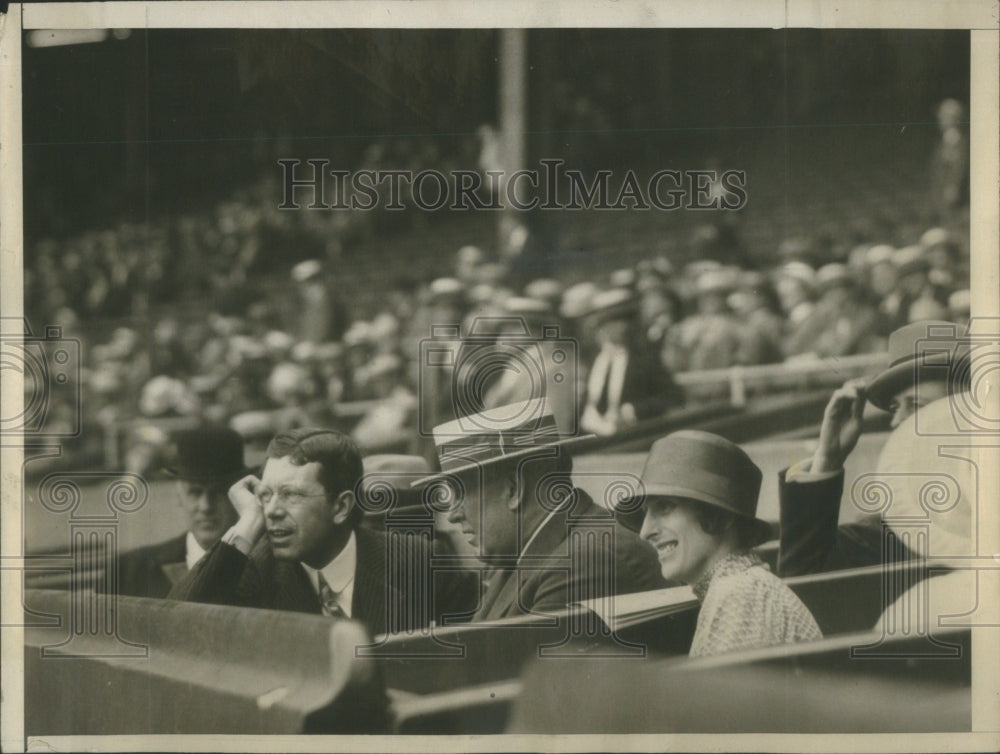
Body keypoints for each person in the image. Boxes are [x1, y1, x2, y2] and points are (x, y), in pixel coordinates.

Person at [169, 428, 477, 636]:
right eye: (266, 494)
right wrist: (247, 524)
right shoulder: (255, 570)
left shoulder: (420, 562)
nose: (272, 510)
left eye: (292, 495)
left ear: (341, 507)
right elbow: (172, 624)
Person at [414, 398, 668, 621]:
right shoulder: (523, 554)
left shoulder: (585, 559)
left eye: (460, 494)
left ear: (514, 489)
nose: (453, 514)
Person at [778, 320, 971, 576]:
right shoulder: (896, 526)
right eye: (894, 408)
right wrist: (827, 459)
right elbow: (803, 580)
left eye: (915, 405)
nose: (896, 421)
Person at [617, 430, 822, 657]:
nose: (644, 532)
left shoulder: (740, 595)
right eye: (646, 513)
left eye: (665, 507)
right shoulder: (732, 586)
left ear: (718, 516)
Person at [112, 427, 246, 598]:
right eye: (195, 492)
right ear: (179, 494)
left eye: (219, 492)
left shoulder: (264, 572)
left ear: (241, 495)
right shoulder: (129, 571)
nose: (205, 506)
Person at [579, 288, 682, 437]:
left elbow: (673, 397)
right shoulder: (594, 359)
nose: (620, 327)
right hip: (592, 438)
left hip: (631, 438)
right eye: (610, 322)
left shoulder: (645, 357)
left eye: (624, 320)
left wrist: (631, 411)